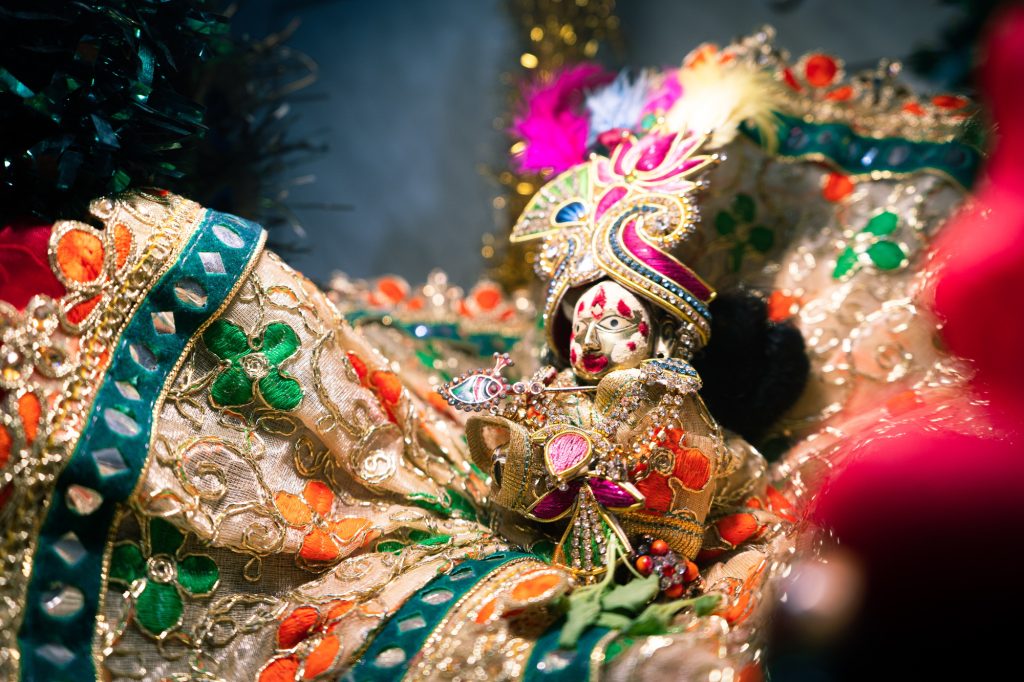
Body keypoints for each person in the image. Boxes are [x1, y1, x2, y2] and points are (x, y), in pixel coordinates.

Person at [0, 26, 989, 681]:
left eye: (622, 319)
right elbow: (490, 404)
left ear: (663, 331)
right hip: (545, 526)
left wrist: (696, 504)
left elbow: (726, 484)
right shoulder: (549, 388)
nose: (601, 335)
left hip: (644, 562)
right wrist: (507, 415)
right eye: (586, 320)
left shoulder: (684, 410)